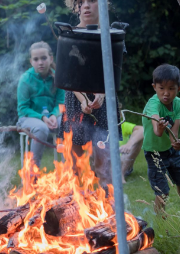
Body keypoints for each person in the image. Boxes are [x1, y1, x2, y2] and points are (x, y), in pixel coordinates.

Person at [59, 0, 122, 187]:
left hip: (105, 97)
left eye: (92, 1)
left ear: (104, 5)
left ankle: (108, 206)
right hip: (74, 97)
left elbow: (114, 70)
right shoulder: (70, 34)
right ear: (75, 6)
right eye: (81, 2)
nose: (86, 5)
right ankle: (74, 207)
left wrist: (101, 93)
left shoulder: (112, 35)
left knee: (105, 162)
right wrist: (83, 99)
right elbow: (67, 75)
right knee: (74, 163)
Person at [142, 64, 180, 218]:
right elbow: (157, 131)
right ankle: (159, 221)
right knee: (162, 190)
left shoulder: (178, 103)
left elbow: (174, 133)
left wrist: (176, 143)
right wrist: (160, 129)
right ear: (154, 87)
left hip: (170, 151)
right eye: (161, 88)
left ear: (179, 89)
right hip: (154, 152)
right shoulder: (153, 104)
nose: (166, 93)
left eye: (171, 89)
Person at [17, 41, 65, 168]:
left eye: (44, 58)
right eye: (36, 59)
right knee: (41, 128)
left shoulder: (58, 77)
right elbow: (23, 108)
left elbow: (61, 103)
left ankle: (69, 171)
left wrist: (54, 115)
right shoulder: (25, 79)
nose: (40, 62)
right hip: (28, 118)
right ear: (31, 61)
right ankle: (33, 172)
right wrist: (42, 118)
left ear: (50, 58)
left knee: (68, 122)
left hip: (52, 117)